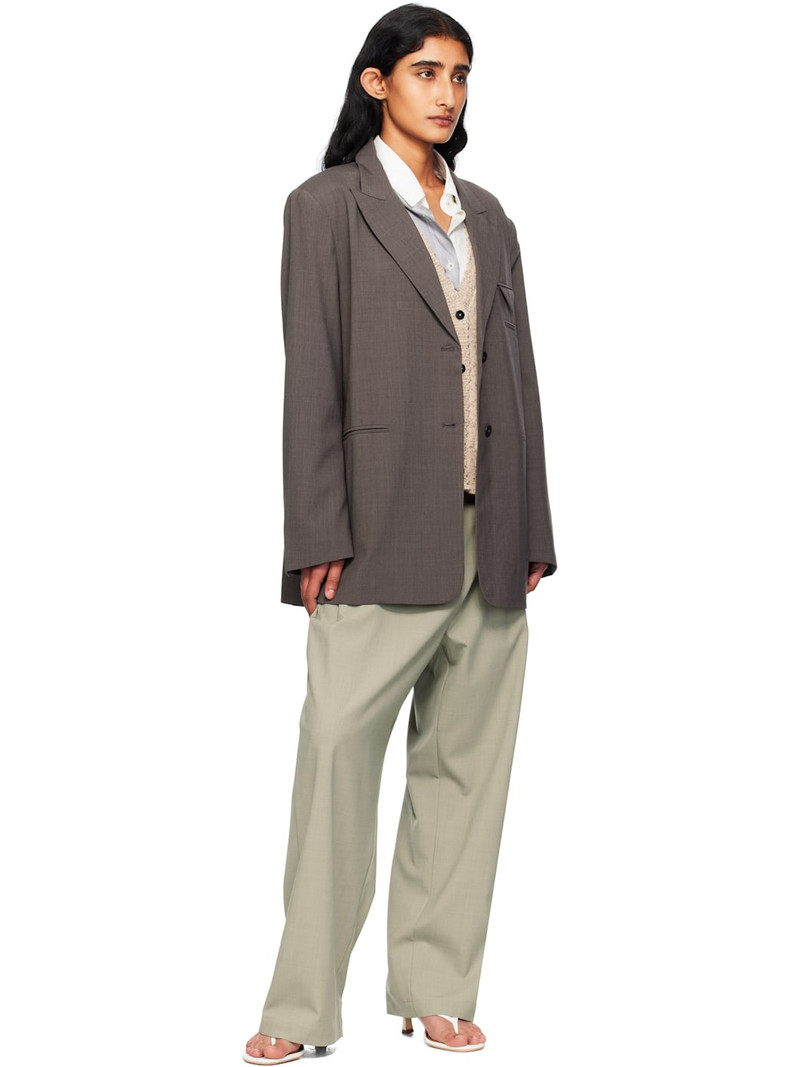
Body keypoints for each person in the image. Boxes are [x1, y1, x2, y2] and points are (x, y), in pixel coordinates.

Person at [243, 4, 556, 1062]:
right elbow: (311, 376)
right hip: (375, 534)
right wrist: (314, 532)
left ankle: (436, 985)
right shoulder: (325, 207)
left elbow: (518, 378)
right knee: (336, 760)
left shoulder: (490, 218)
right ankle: (299, 1007)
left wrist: (533, 522)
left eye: (460, 75)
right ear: (376, 82)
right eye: (426, 71)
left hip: (489, 533)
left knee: (465, 776)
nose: (447, 92)